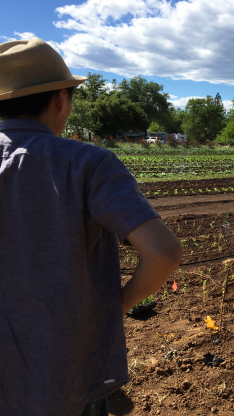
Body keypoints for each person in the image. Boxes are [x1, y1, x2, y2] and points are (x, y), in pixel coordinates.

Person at [0, 38, 183, 416]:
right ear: (60, 99)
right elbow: (163, 253)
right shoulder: (88, 164)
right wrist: (118, 304)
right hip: (66, 369)